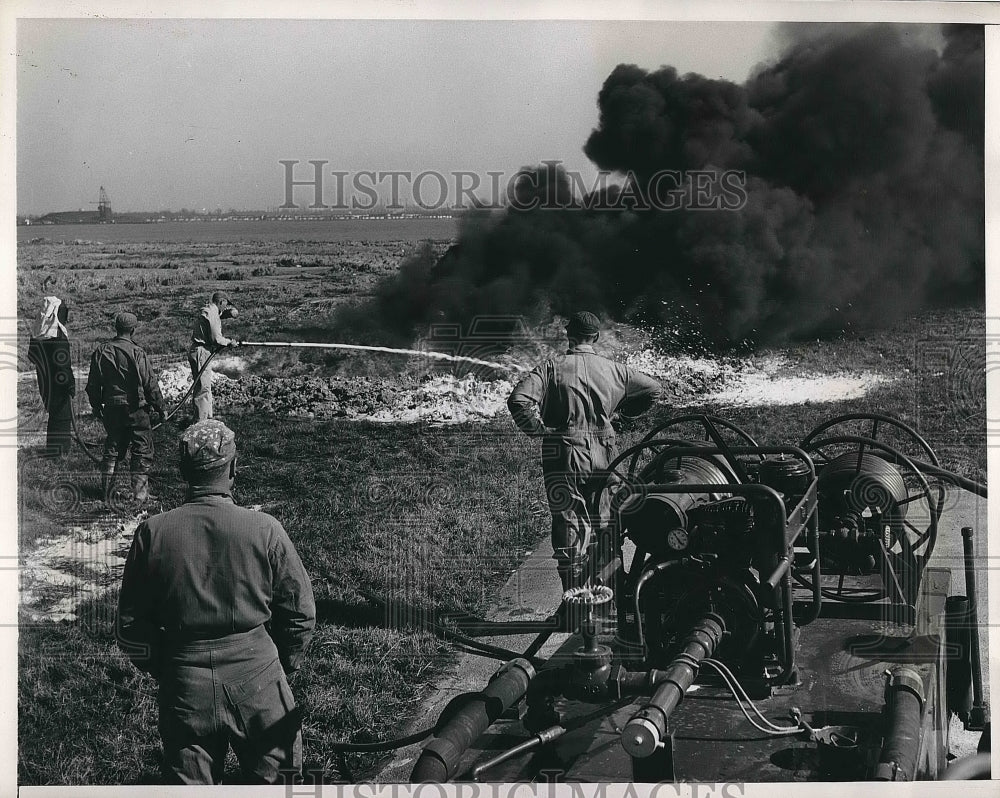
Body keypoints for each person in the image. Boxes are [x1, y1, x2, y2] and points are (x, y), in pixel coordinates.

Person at [116, 419, 316, 785]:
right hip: (258, 678)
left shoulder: (152, 533)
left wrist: (169, 666)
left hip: (184, 685)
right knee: (278, 783)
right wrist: (285, 661)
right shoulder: (265, 529)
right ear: (233, 468)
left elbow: (131, 626)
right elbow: (299, 612)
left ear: (183, 472)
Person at [507, 311, 663, 591]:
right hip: (606, 452)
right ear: (596, 337)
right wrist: (624, 417)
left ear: (569, 334)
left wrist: (538, 431)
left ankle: (574, 597)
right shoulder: (614, 369)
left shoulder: (550, 368)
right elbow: (653, 389)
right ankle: (609, 592)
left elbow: (518, 400)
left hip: (564, 452)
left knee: (569, 521)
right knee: (607, 520)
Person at [85, 311, 164, 506]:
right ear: (133, 330)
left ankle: (107, 492)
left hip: (112, 409)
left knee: (112, 448)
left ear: (116, 328)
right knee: (142, 449)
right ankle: (139, 495)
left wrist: (96, 406)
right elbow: (149, 383)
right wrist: (160, 407)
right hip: (136, 408)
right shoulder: (138, 352)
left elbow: (93, 384)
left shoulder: (101, 351)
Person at [27, 296, 75, 456]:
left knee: (54, 412)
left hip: (44, 379)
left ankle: (54, 449)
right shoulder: (57, 335)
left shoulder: (39, 333)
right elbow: (62, 365)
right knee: (62, 414)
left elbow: (31, 357)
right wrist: (69, 384)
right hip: (58, 382)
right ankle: (60, 452)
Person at [189, 291, 239, 421]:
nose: (225, 307)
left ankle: (206, 418)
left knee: (204, 386)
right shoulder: (211, 313)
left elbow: (218, 316)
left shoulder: (211, 310)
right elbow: (216, 338)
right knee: (202, 389)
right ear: (221, 301)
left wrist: (229, 314)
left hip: (202, 351)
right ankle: (201, 423)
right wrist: (229, 342)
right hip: (202, 352)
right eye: (225, 305)